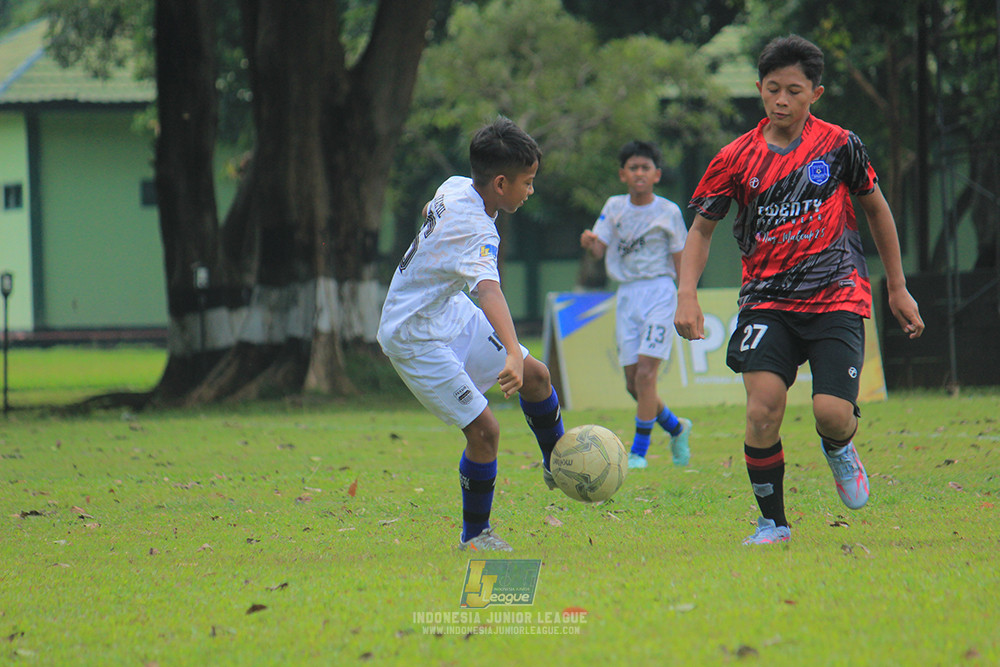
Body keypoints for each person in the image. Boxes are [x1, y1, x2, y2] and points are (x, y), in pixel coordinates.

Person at [674, 35, 925, 545]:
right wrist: (686, 294)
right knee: (761, 409)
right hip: (767, 301)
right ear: (759, 90)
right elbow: (700, 229)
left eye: (794, 90)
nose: (782, 100)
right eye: (772, 89)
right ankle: (773, 523)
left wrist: (897, 287)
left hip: (837, 295)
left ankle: (839, 445)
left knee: (832, 414)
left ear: (816, 93)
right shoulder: (734, 157)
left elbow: (876, 209)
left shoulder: (840, 145)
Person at [377, 116, 564, 552]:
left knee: (537, 377)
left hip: (448, 311)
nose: (530, 191)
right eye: (527, 182)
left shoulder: (457, 185)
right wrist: (512, 352)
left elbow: (430, 207)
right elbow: (489, 291)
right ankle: (475, 535)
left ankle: (560, 462)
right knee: (485, 431)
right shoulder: (478, 229)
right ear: (500, 183)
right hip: (413, 335)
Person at [580, 140, 692, 469]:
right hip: (627, 295)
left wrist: (685, 296)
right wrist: (589, 243)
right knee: (634, 383)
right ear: (623, 174)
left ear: (657, 174)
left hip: (660, 292)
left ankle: (639, 452)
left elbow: (681, 257)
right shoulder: (614, 207)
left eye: (645, 168)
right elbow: (599, 249)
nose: (639, 173)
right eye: (633, 168)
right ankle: (676, 427)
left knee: (646, 374)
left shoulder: (669, 211)